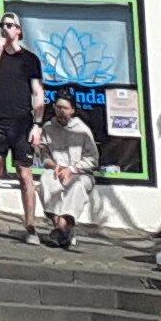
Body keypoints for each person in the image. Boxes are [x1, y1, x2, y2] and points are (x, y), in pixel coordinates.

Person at [0, 18, 45, 234]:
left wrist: (37, 124)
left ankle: (30, 225)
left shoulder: (29, 59)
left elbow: (38, 92)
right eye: (2, 24)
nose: (5, 28)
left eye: (10, 24)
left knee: (24, 173)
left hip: (22, 122)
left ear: (19, 30)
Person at [33, 94, 102, 249]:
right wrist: (53, 165)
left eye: (65, 108)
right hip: (57, 169)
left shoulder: (82, 130)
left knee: (77, 186)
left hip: (80, 172)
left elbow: (93, 159)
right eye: (58, 107)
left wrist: (72, 169)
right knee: (46, 179)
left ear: (72, 110)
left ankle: (60, 228)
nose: (61, 111)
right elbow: (44, 154)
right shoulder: (48, 128)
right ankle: (63, 230)